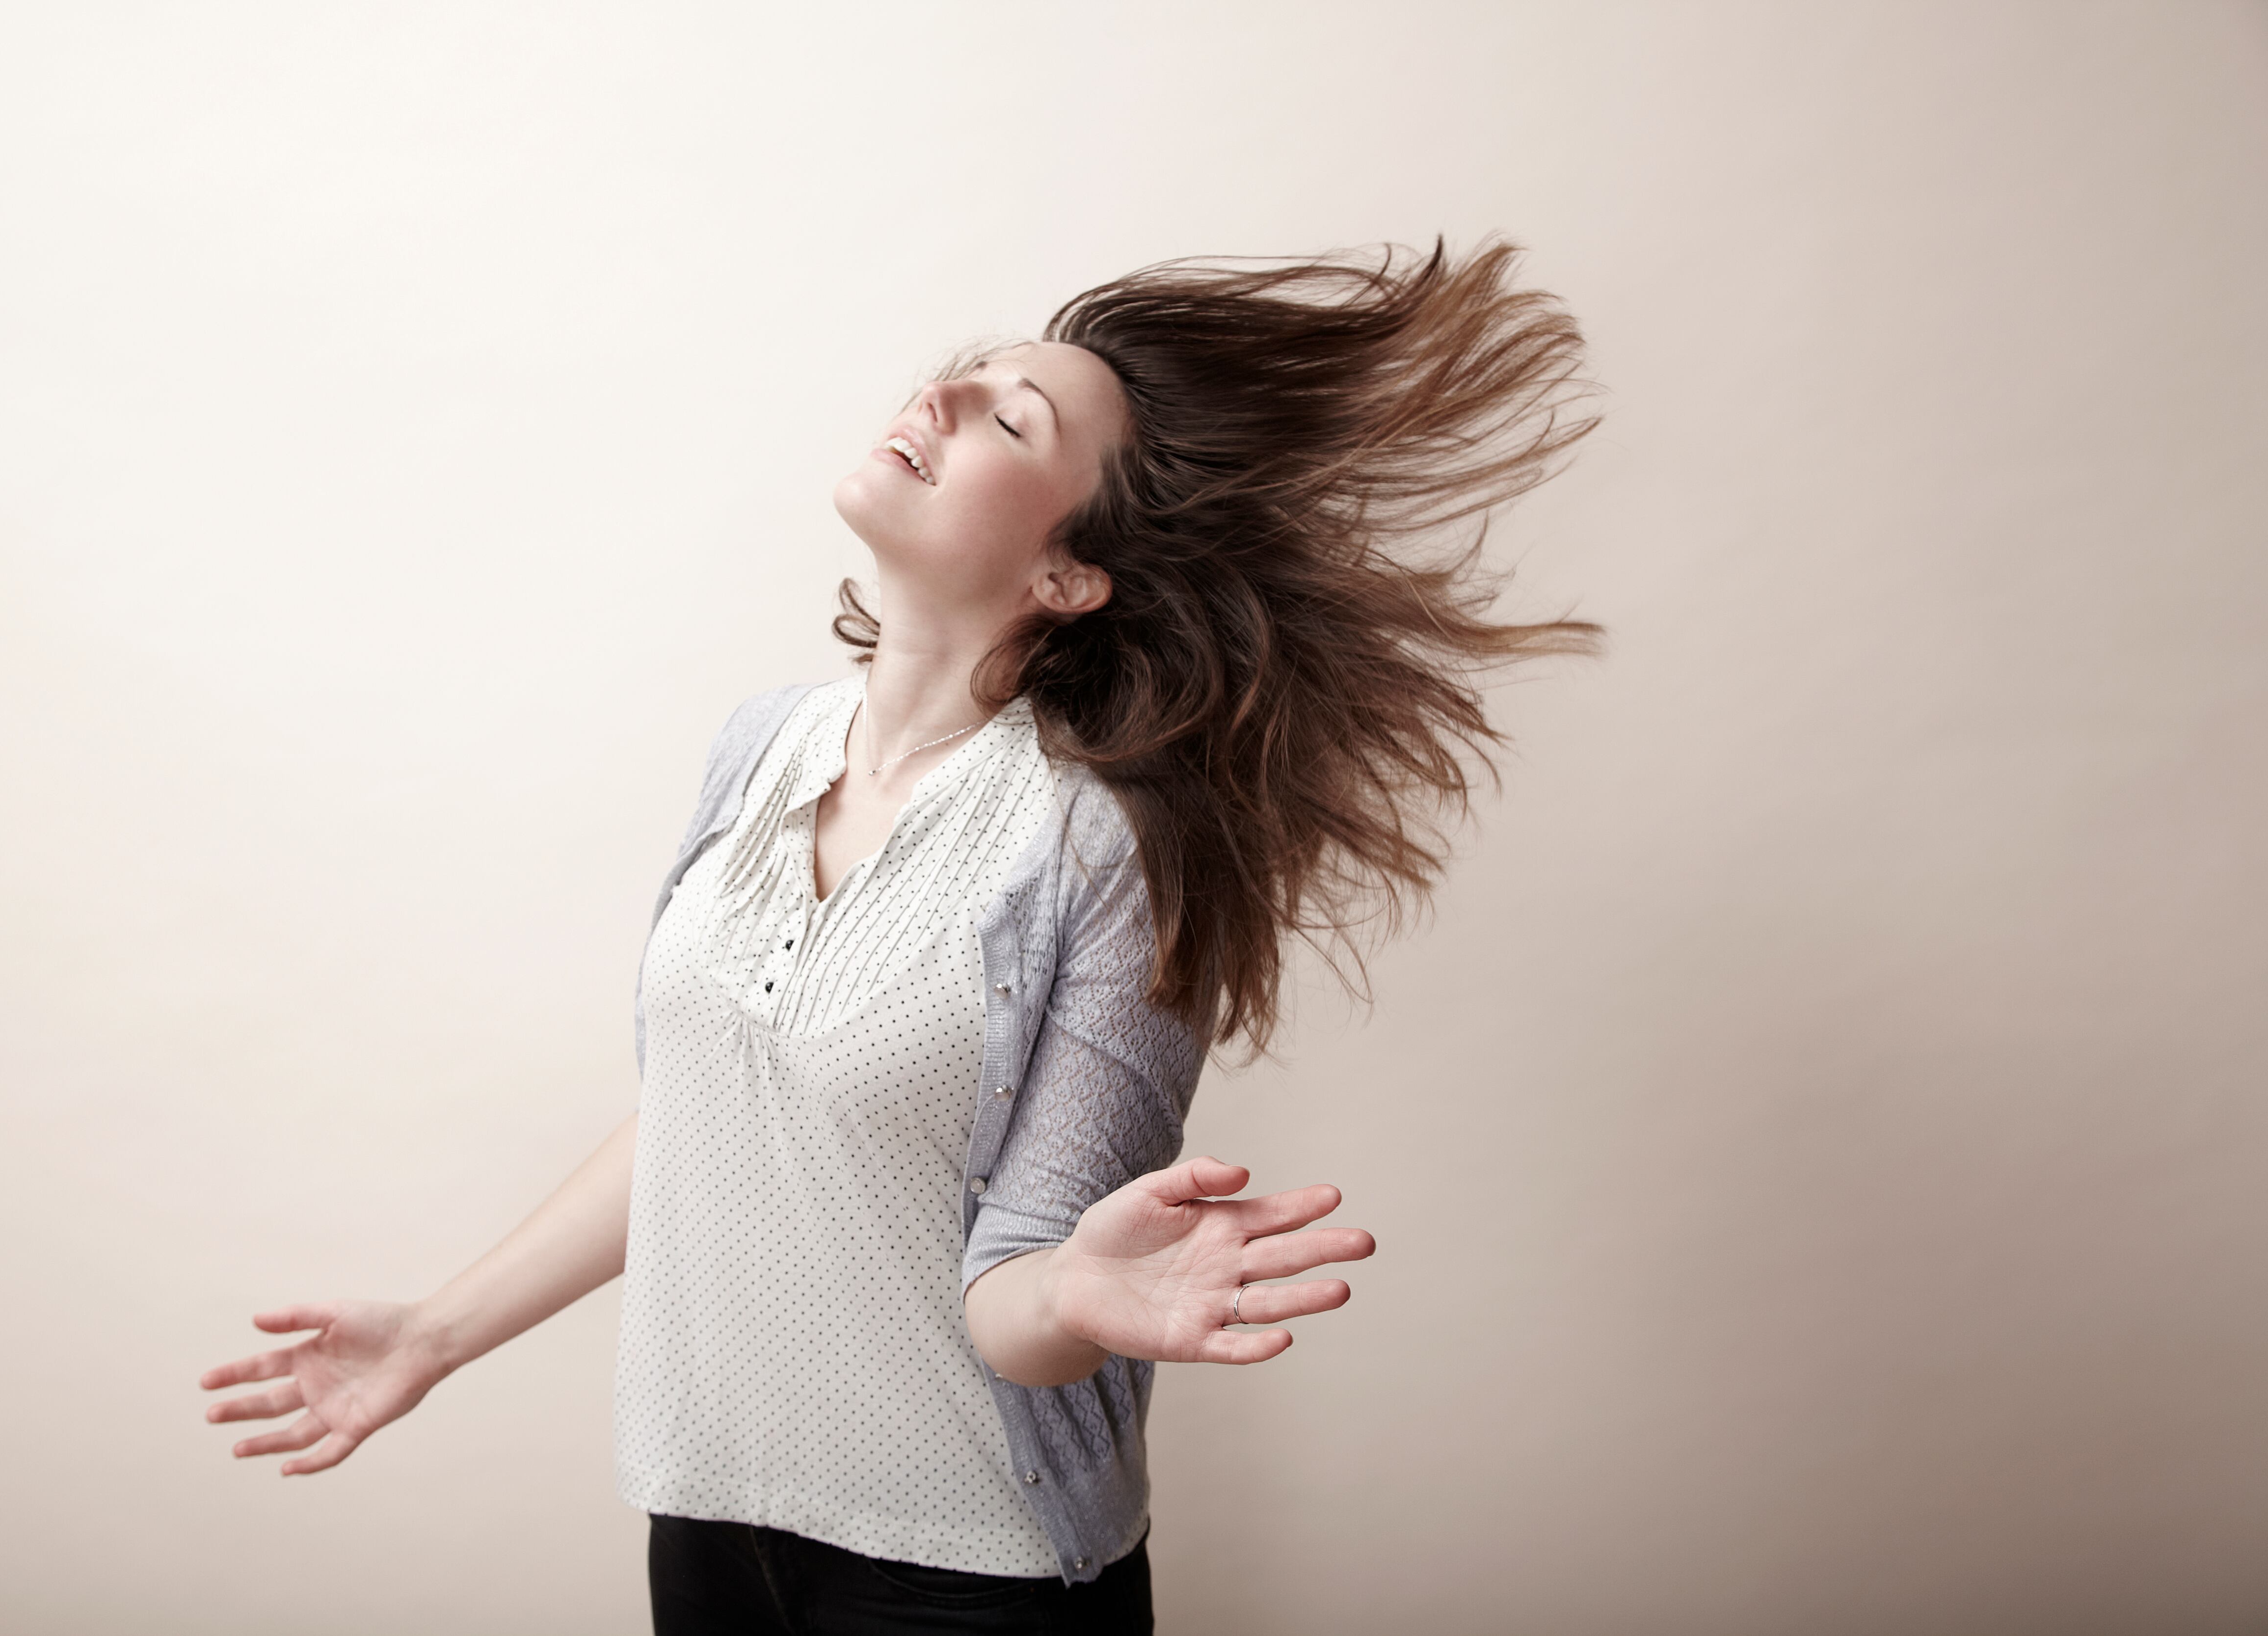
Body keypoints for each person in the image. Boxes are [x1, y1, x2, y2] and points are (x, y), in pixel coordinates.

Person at [200, 238, 1598, 1634]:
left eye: (1007, 416)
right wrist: (432, 1339)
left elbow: (1014, 1304)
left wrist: (1077, 1288)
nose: (935, 402)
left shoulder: (1100, 848)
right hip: (705, 1518)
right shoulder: (761, 748)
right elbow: (708, 1116)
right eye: (956, 380)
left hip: (963, 1574)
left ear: (1071, 573)